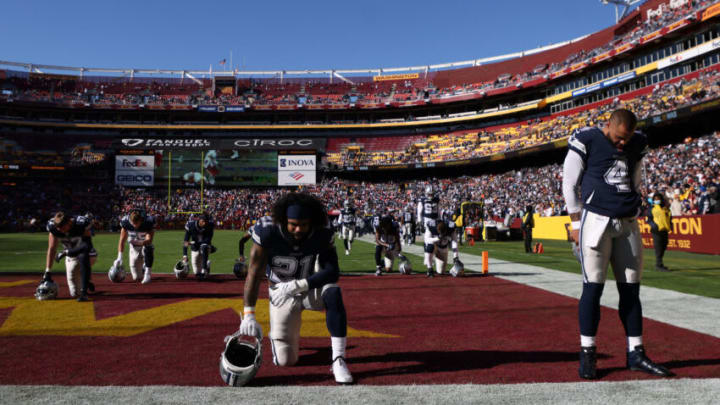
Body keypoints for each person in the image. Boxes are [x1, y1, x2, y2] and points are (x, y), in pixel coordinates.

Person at [562, 108, 673, 379]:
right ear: (609, 124)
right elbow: (569, 182)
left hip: (627, 222)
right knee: (593, 289)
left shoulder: (638, 142)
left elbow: (635, 177)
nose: (623, 143)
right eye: (619, 137)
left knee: (631, 291)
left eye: (627, 138)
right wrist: (575, 223)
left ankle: (636, 352)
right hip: (596, 221)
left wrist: (635, 205)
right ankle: (588, 353)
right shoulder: (586, 138)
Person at [237, 192, 353, 384]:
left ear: (312, 222)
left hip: (308, 286)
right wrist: (249, 313)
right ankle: (285, 338)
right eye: (293, 224)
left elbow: (333, 272)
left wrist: (298, 285)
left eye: (304, 224)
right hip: (281, 293)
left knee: (333, 291)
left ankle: (339, 359)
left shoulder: (321, 231)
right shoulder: (268, 230)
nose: (298, 229)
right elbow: (254, 273)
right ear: (283, 221)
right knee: (286, 361)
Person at [45, 212, 96, 301]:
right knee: (74, 293)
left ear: (69, 223)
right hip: (70, 255)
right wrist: (47, 272)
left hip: (87, 253)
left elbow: (87, 246)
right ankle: (85, 281)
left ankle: (84, 290)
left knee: (83, 257)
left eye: (62, 227)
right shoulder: (53, 227)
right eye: (58, 228)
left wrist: (67, 252)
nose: (60, 230)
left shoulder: (81, 224)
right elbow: (52, 248)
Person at [115, 209, 156, 284]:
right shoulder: (126, 222)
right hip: (133, 249)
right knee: (136, 277)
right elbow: (122, 240)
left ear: (141, 220)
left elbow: (149, 240)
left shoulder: (148, 222)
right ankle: (143, 267)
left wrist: (139, 242)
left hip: (143, 245)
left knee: (149, 247)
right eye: (133, 223)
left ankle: (147, 273)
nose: (135, 226)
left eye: (137, 223)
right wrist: (119, 257)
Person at [183, 213, 216, 279]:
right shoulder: (191, 225)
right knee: (197, 274)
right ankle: (207, 265)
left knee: (204, 247)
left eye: (206, 221)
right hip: (195, 249)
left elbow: (207, 241)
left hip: (205, 247)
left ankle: (204, 269)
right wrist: (185, 255)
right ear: (198, 220)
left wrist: (193, 243)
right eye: (203, 221)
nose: (204, 223)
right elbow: (186, 241)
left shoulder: (209, 226)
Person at [647, 193, 671, 271]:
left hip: (665, 229)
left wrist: (670, 224)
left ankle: (660, 264)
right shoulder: (651, 208)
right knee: (658, 247)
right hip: (656, 231)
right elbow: (648, 219)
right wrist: (654, 226)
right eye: (655, 199)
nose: (657, 200)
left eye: (658, 199)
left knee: (664, 245)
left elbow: (669, 217)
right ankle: (659, 265)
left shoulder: (665, 208)